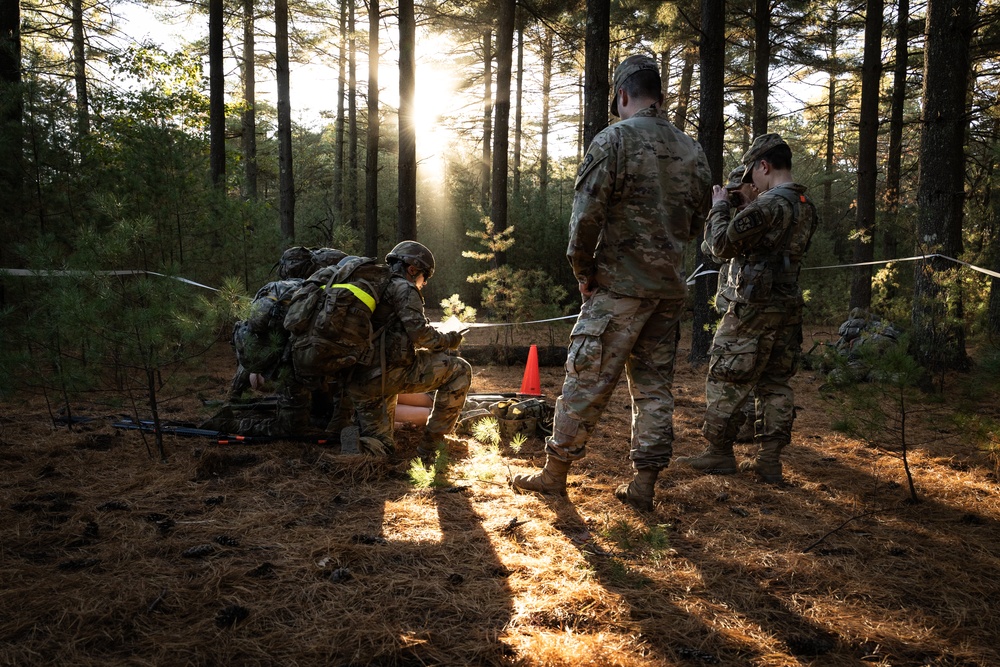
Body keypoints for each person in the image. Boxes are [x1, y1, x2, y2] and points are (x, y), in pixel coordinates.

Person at [511, 54, 712, 511]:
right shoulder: (692, 150)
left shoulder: (614, 140)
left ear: (622, 95)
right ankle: (644, 486)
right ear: (657, 95)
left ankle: (555, 474)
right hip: (667, 290)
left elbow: (585, 220)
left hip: (619, 288)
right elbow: (698, 221)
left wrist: (584, 273)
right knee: (655, 386)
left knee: (586, 377)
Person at [675, 133, 818, 483]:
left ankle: (719, 453)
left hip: (752, 309)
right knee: (775, 382)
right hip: (786, 308)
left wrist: (721, 205)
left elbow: (720, 245)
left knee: (726, 376)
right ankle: (769, 460)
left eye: (752, 173)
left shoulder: (768, 205)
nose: (750, 181)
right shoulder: (804, 205)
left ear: (763, 166)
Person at [346, 241, 470, 460]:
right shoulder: (403, 287)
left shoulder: (375, 284)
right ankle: (431, 448)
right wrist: (451, 339)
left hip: (360, 379)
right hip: (389, 374)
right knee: (459, 370)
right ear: (412, 269)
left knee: (382, 446)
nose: (424, 283)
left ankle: (364, 446)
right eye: (424, 277)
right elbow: (421, 336)